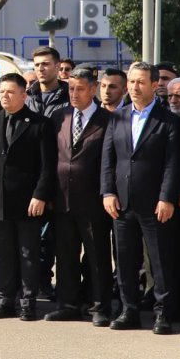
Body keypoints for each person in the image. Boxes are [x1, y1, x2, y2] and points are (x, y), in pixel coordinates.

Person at [101, 61, 180, 334]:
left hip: (155, 204)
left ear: (154, 85)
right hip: (122, 203)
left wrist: (167, 197)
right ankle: (129, 311)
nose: (134, 87)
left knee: (160, 261)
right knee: (125, 260)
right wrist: (108, 191)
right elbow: (108, 160)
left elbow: (173, 163)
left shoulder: (169, 120)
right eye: (132, 81)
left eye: (140, 82)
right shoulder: (118, 117)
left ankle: (162, 314)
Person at [0, 72, 55, 321]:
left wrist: (40, 195)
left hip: (28, 201)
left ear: (23, 95)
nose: (4, 96)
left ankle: (28, 300)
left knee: (28, 253)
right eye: (2, 92)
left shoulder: (40, 124)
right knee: (3, 253)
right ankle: (5, 299)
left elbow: (47, 166)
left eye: (10, 92)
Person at [46, 66, 113, 326]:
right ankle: (68, 304)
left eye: (80, 89)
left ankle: (100, 306)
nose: (74, 94)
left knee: (97, 256)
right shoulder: (59, 116)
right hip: (62, 199)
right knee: (65, 255)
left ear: (93, 89)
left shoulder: (107, 120)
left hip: (94, 201)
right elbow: (52, 157)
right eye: (71, 88)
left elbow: (110, 161)